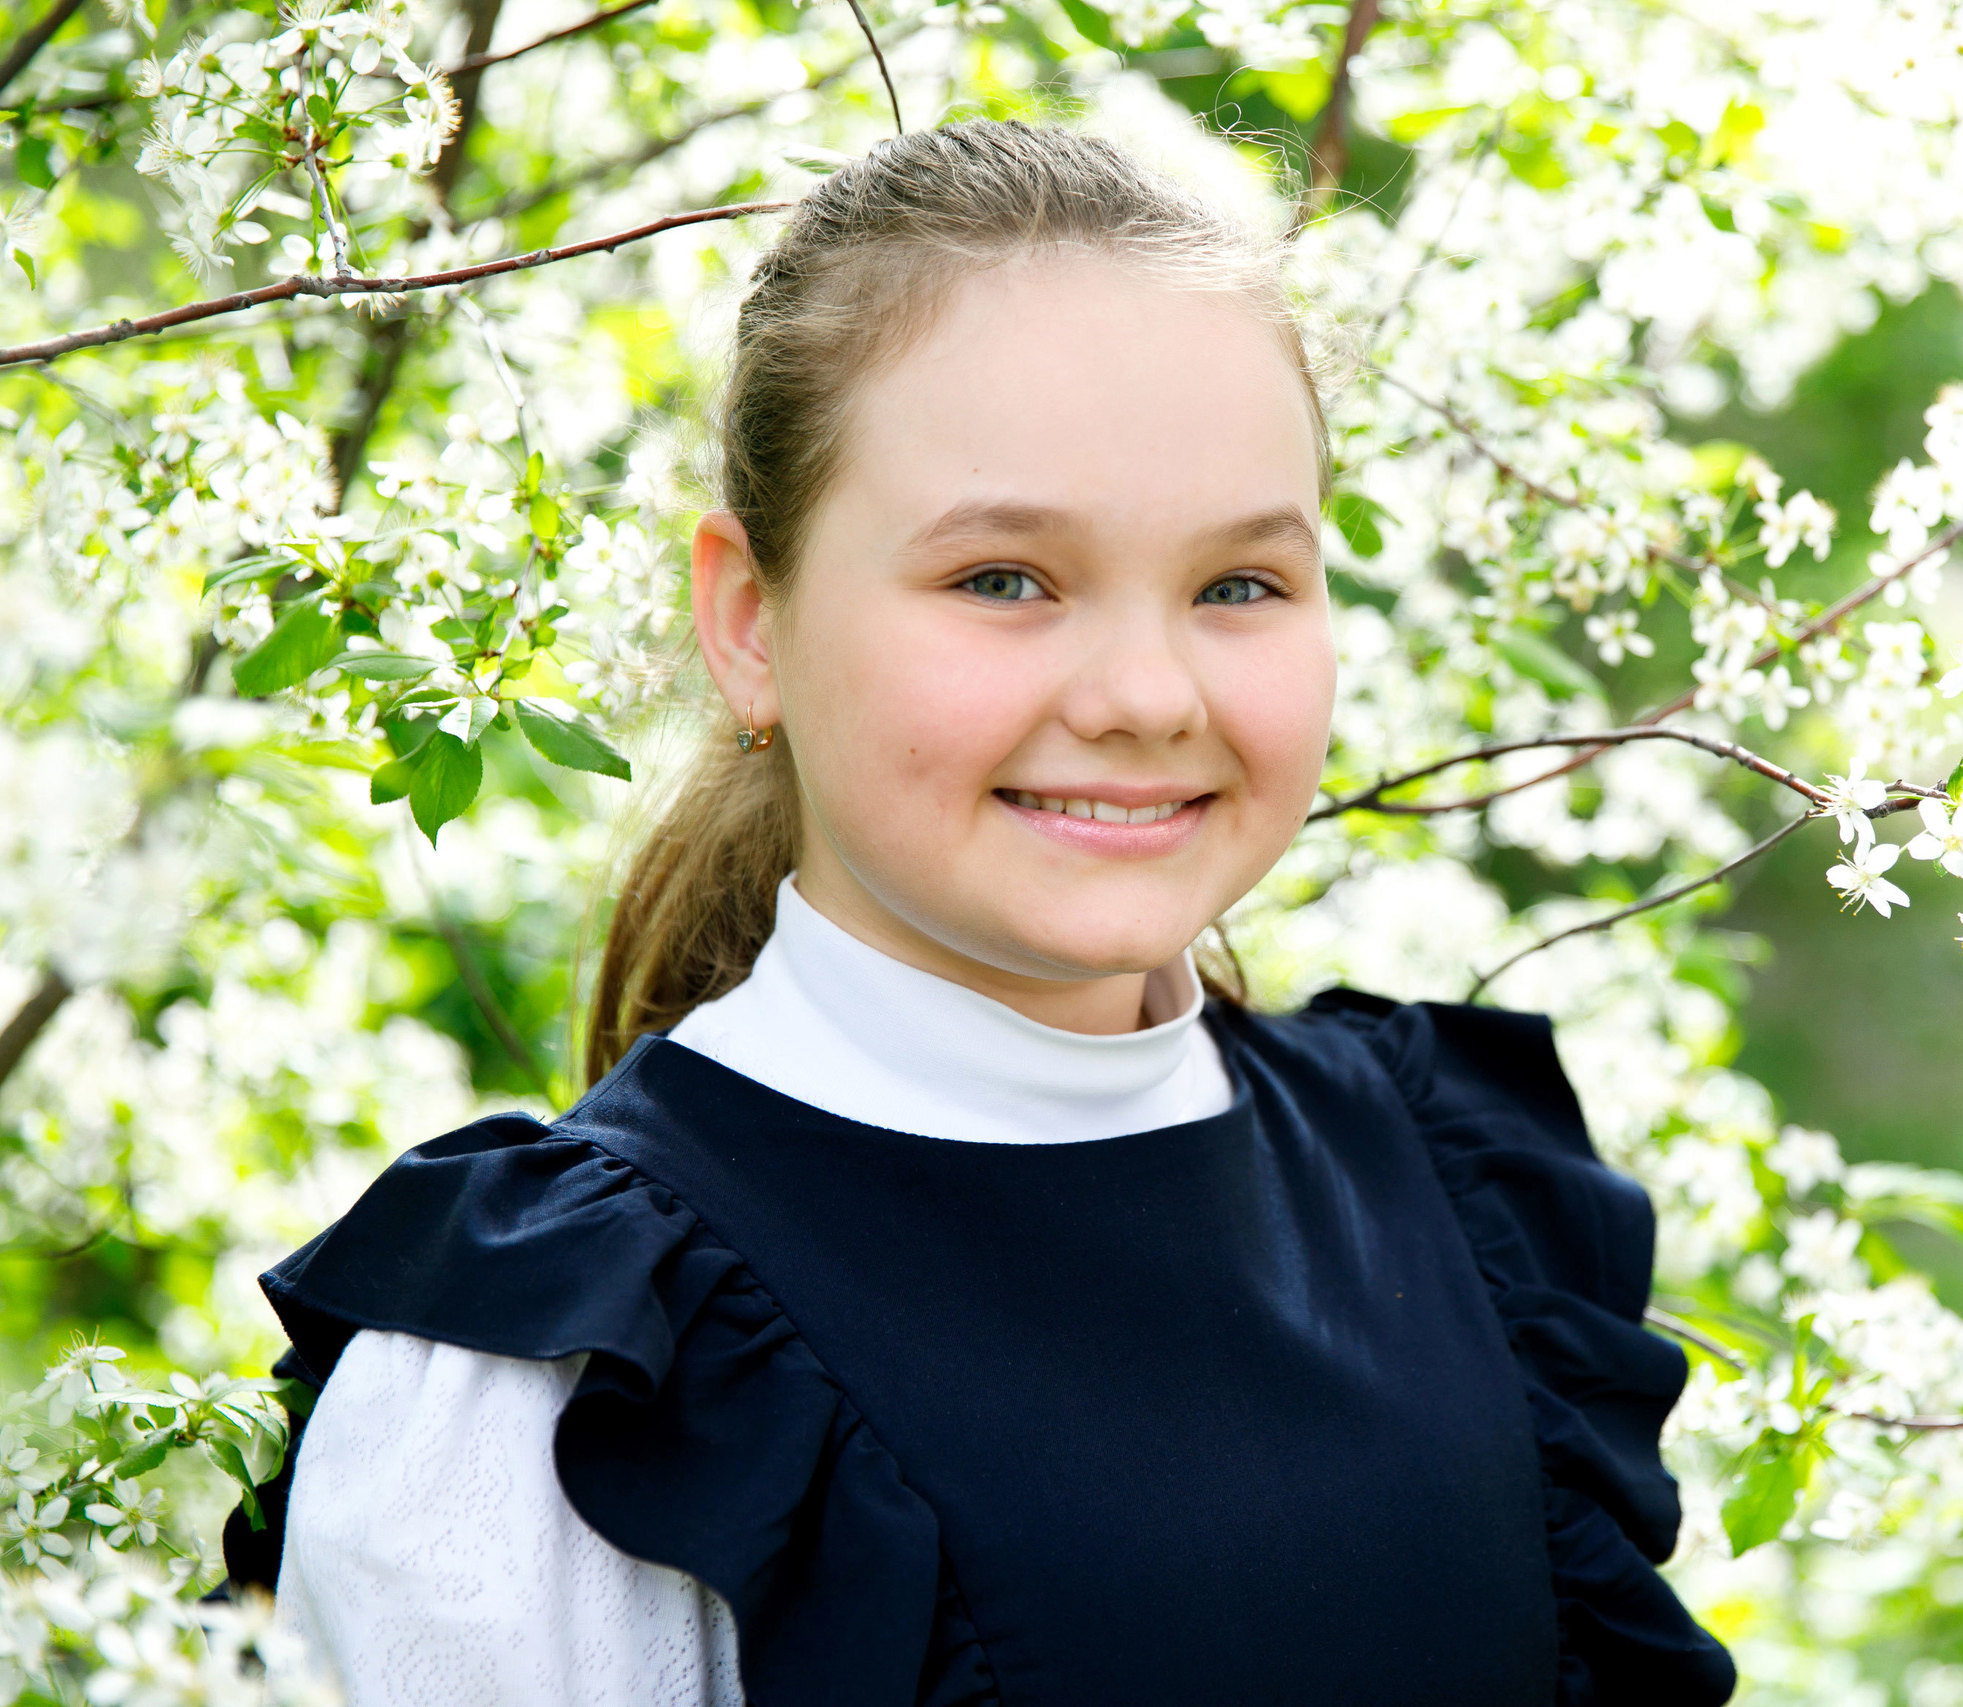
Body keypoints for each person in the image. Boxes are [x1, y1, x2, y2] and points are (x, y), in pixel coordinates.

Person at [224, 119, 1737, 1707]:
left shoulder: (1450, 1188)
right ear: (749, 621)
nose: (1149, 696)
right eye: (1005, 579)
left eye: (1240, 586)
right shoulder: (569, 1381)